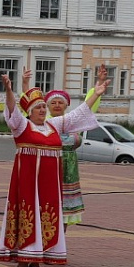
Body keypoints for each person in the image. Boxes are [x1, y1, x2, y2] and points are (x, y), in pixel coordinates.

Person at [0, 68, 106, 267]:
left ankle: (37, 264)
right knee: (28, 217)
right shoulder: (22, 126)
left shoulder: (53, 125)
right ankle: (23, 263)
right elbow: (12, 109)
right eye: (38, 108)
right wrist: (9, 90)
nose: (42, 110)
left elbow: (78, 114)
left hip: (49, 187)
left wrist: (96, 94)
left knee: (48, 217)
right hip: (28, 184)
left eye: (43, 107)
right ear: (30, 112)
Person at [47, 72, 105, 227]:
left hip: (69, 172)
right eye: (53, 103)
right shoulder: (45, 123)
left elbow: (87, 107)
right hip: (50, 168)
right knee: (47, 208)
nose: (57, 105)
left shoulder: (74, 123)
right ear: (47, 106)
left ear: (66, 105)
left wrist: (97, 86)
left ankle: (60, 244)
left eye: (60, 102)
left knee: (65, 212)